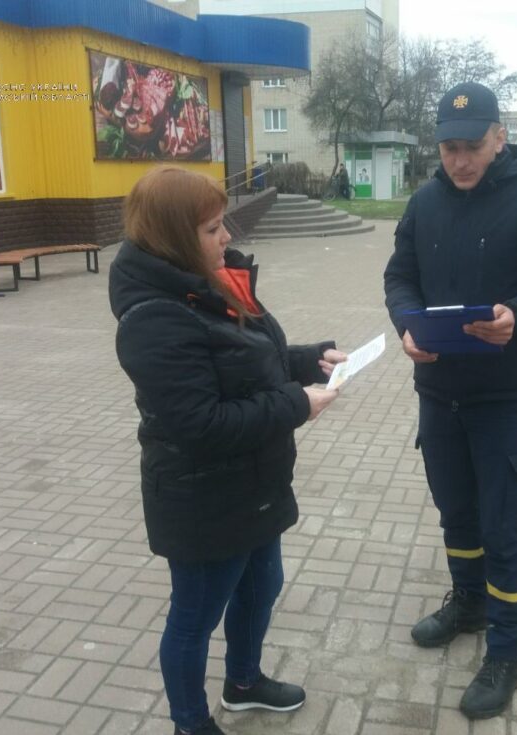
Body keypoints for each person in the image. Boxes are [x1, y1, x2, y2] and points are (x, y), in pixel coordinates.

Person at [109, 166, 346, 735]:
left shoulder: (208, 282)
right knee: (195, 617)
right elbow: (201, 423)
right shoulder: (153, 319)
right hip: (202, 497)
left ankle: (242, 683)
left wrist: (309, 360)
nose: (227, 237)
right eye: (213, 228)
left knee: (262, 586)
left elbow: (245, 358)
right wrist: (296, 404)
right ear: (173, 236)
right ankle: (190, 723)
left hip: (254, 481)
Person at [383, 82, 517, 721]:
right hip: (438, 392)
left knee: (504, 528)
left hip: (504, 395)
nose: (460, 160)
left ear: (499, 137)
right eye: (449, 148)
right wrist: (407, 324)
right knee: (457, 514)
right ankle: (469, 603)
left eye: (471, 146)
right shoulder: (425, 202)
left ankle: (506, 651)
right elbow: (399, 276)